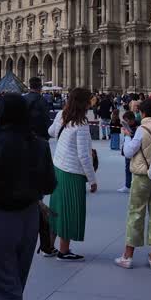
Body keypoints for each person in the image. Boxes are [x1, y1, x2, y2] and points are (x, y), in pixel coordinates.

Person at [0, 93, 57, 300]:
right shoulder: (40, 145)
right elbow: (50, 185)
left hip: (0, 221)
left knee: (4, 293)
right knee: (12, 287)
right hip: (29, 220)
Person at [116, 98, 151, 270]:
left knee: (136, 214)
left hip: (142, 177)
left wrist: (126, 137)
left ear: (142, 112)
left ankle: (128, 256)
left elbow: (128, 152)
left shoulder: (141, 129)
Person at [47, 87, 97, 261]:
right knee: (69, 211)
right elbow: (84, 156)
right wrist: (92, 180)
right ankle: (64, 250)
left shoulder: (62, 114)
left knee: (55, 209)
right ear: (83, 103)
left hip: (58, 167)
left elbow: (51, 132)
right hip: (72, 172)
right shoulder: (81, 124)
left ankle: (48, 247)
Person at [22, 76, 58, 258]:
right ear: (40, 87)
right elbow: (46, 123)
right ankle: (46, 243)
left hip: (23, 145)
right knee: (39, 193)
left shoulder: (23, 100)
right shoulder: (42, 102)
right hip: (39, 144)